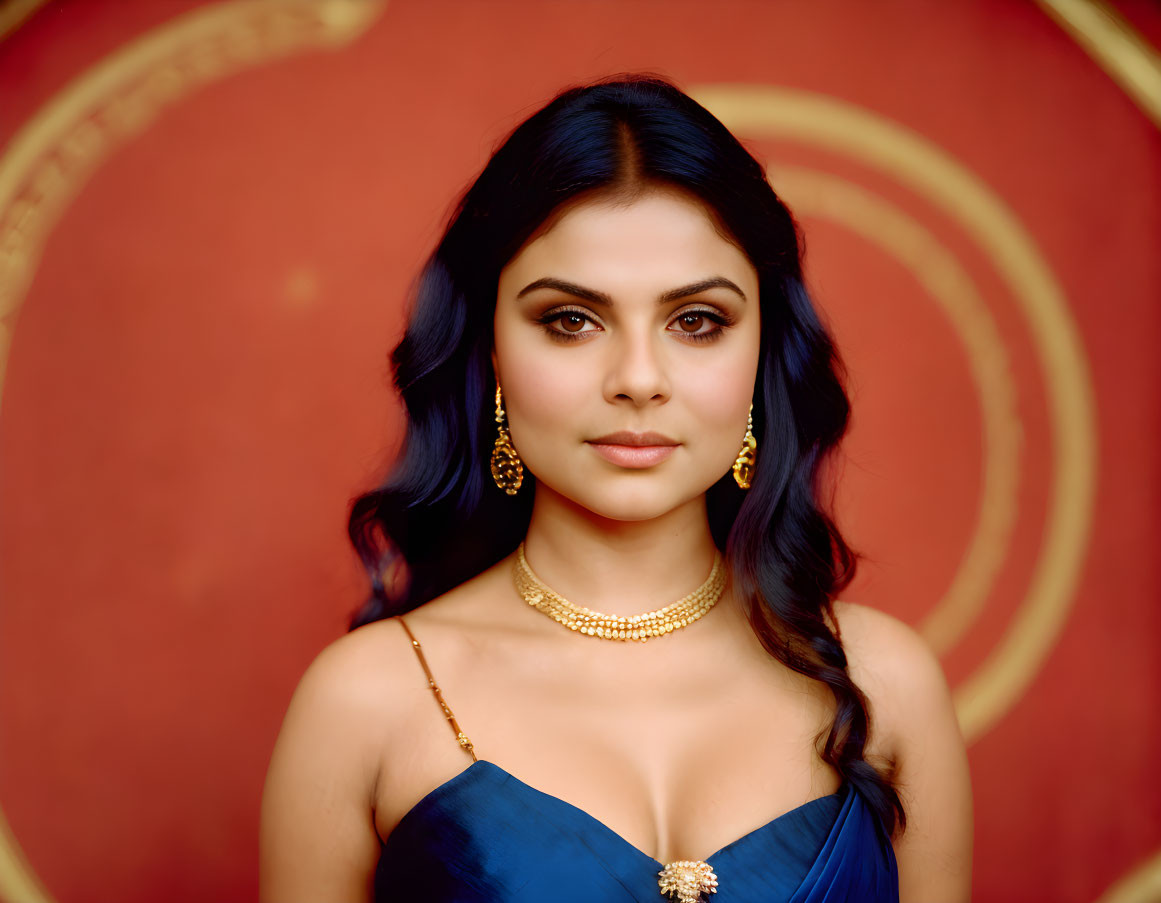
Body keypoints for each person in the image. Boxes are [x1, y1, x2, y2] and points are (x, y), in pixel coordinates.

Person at [259, 74, 973, 903]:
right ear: (490, 351)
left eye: (696, 321)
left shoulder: (883, 685)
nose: (637, 378)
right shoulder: (367, 701)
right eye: (570, 320)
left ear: (761, 352)